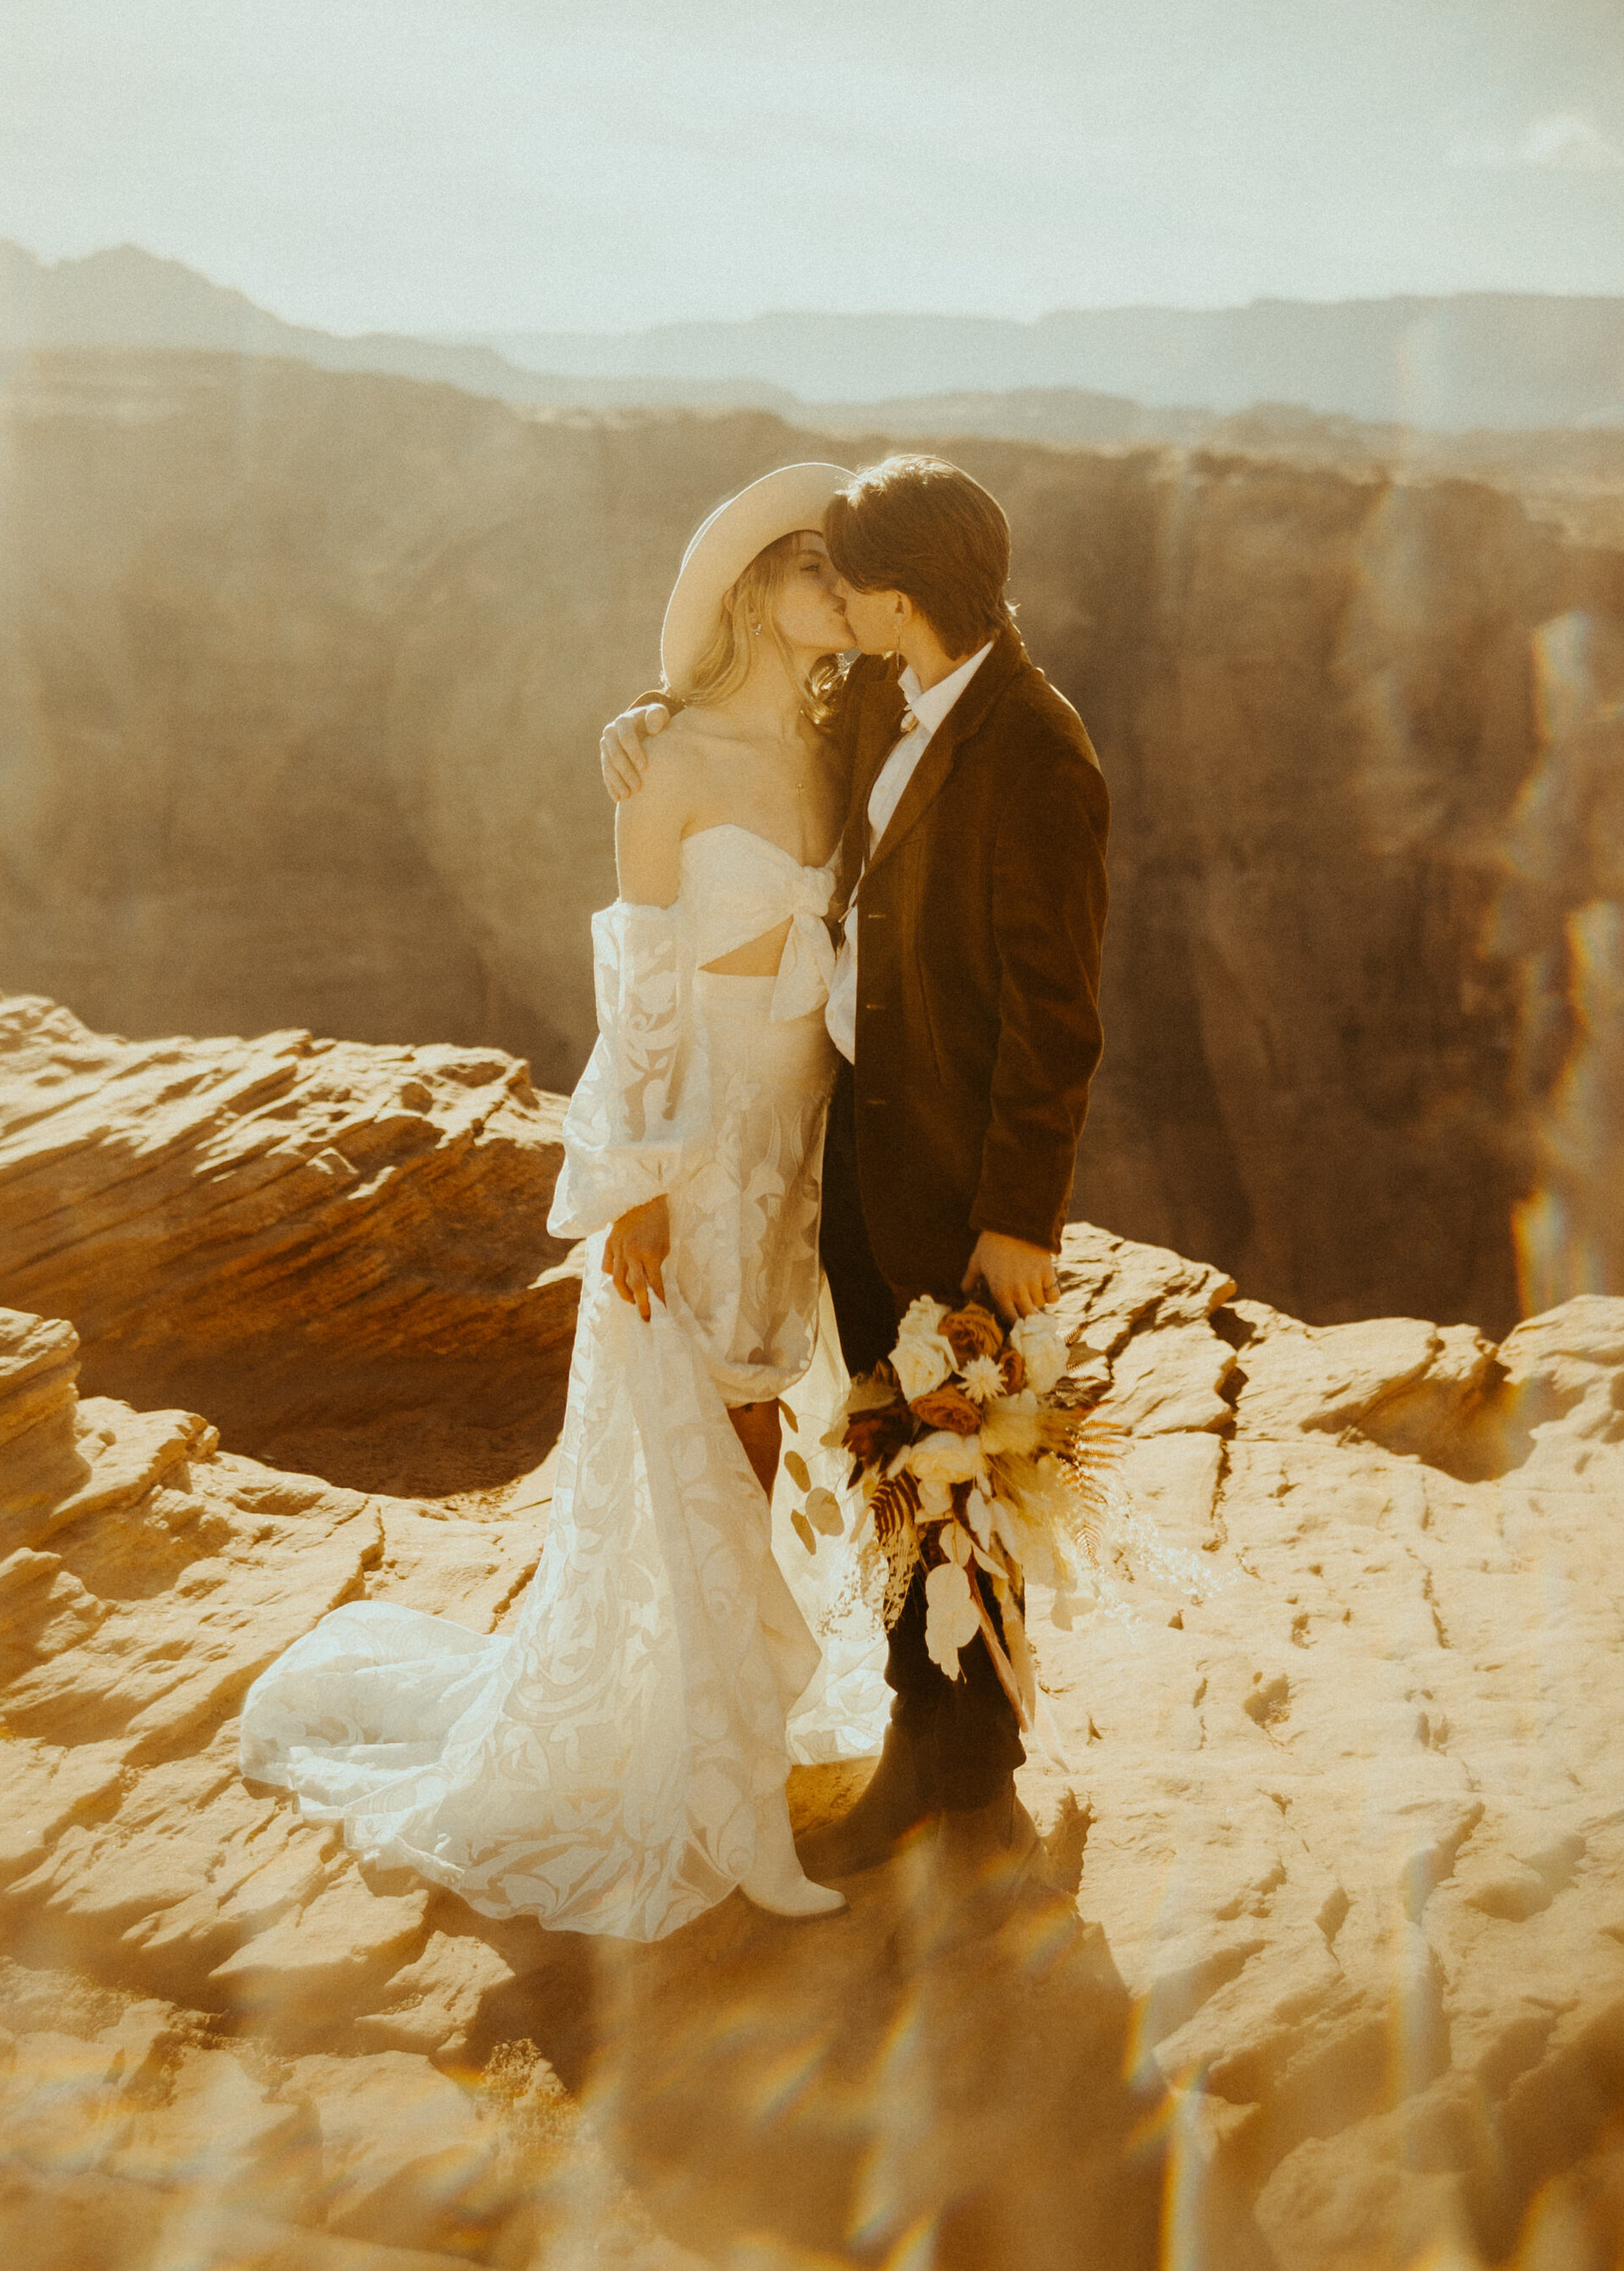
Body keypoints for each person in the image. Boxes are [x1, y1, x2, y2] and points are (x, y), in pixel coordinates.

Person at [238, 464, 866, 1941]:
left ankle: (734, 1726)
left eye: (850, 575)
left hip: (802, 1130)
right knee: (704, 1427)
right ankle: (727, 1793)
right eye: (816, 572)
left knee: (763, 1412)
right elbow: (642, 978)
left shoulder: (847, 745)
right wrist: (635, 1187)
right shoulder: (675, 758)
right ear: (754, 594)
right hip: (702, 1132)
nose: (840, 594)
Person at [602, 454, 1109, 1899]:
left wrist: (1022, 1218)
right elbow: (734, 754)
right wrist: (639, 728)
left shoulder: (1037, 751)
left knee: (976, 1456)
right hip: (850, 1157)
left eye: (854, 580)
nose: (842, 600)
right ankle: (938, 1747)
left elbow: (1056, 1011)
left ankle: (967, 1772)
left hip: (959, 1183)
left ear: (900, 600)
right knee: (904, 1452)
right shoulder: (884, 698)